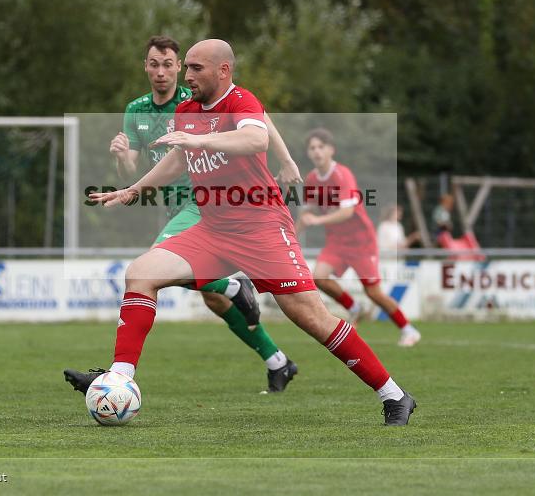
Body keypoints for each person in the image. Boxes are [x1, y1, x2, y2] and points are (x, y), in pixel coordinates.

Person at [71, 39, 416, 426]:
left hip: (262, 228)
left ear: (223, 71)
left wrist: (200, 138)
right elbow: (177, 159)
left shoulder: (241, 102)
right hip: (213, 229)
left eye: (195, 68)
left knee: (311, 317)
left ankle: (395, 395)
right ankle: (120, 379)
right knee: (140, 273)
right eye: (186, 68)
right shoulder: (186, 110)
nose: (187, 76)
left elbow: (256, 138)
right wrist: (134, 190)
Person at [77, 35, 299, 393]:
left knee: (148, 271)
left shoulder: (197, 96)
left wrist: (287, 160)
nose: (162, 72)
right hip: (170, 204)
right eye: (154, 64)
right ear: (145, 67)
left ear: (179, 67)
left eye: (169, 65)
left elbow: (258, 119)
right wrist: (121, 159)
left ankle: (117, 376)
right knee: (211, 296)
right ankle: (277, 361)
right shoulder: (136, 110)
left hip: (203, 202)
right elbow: (132, 170)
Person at [296, 129, 421, 347]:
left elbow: (348, 212)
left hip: (361, 242)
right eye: (312, 148)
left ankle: (409, 330)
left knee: (373, 293)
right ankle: (354, 308)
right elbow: (306, 214)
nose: (316, 151)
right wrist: (291, 237)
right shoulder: (312, 179)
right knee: (319, 277)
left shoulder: (342, 175)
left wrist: (317, 221)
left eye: (320, 146)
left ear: (331, 150)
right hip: (337, 242)